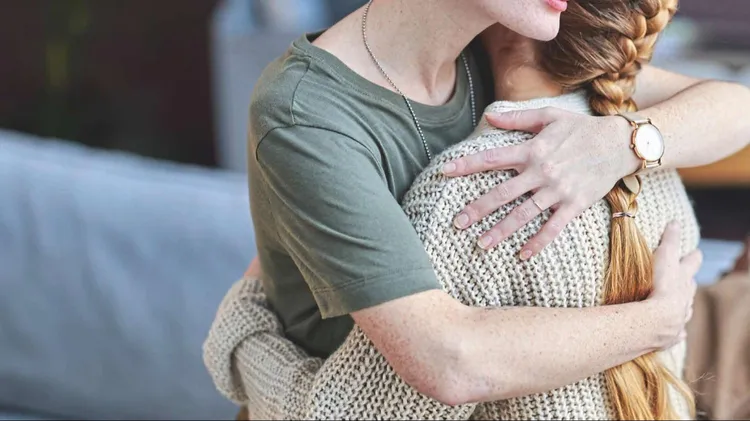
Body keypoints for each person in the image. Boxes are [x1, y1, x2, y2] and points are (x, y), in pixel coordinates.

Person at [204, 0, 750, 418]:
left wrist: (624, 142)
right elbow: (449, 362)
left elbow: (738, 107)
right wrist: (654, 322)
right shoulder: (306, 113)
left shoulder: (507, 43)